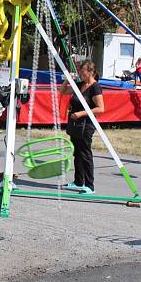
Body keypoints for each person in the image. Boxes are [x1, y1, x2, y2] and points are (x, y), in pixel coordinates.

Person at [60, 60, 104, 194]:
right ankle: (78, 181)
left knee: (85, 153)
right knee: (77, 152)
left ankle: (90, 185)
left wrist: (81, 114)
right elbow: (63, 91)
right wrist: (66, 81)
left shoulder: (95, 87)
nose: (80, 73)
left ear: (91, 72)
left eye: (82, 71)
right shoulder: (79, 85)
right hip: (75, 124)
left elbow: (100, 108)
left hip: (87, 124)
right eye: (79, 71)